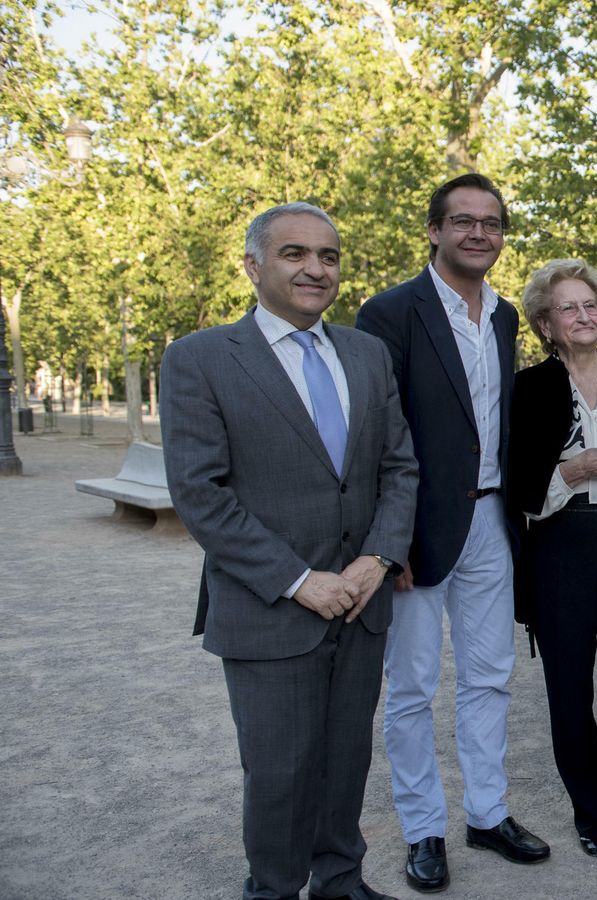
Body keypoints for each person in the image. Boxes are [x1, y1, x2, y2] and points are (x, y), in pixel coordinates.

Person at [161, 202, 418, 900]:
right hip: (269, 608)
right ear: (253, 266)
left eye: (328, 256)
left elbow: (400, 468)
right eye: (295, 254)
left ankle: (340, 881)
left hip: (360, 604)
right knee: (279, 773)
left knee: (346, 760)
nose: (315, 269)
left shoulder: (367, 353)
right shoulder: (200, 358)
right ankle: (272, 890)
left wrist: (378, 559)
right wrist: (300, 580)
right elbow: (200, 493)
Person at [356, 174, 547, 892]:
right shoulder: (389, 312)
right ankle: (423, 829)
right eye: (463, 221)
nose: (478, 233)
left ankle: (487, 814)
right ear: (434, 231)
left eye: (491, 223)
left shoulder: (503, 315)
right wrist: (390, 539)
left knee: (490, 676)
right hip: (416, 531)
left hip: (492, 520)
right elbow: (376, 431)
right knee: (410, 686)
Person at [506, 260, 597, 865]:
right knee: (568, 687)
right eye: (568, 307)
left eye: (590, 305)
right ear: (545, 324)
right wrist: (572, 470)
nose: (584, 315)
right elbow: (517, 485)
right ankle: (591, 814)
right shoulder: (529, 388)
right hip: (561, 542)